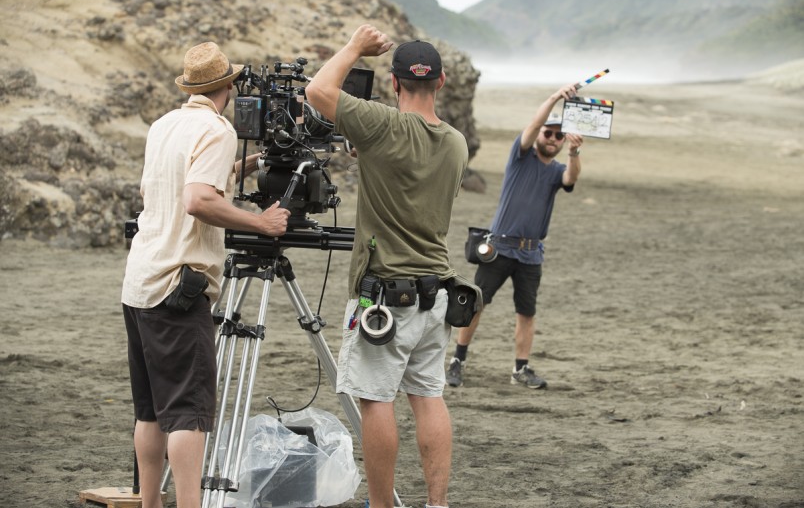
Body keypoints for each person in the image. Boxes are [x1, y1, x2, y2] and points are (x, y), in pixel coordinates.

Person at [120, 42, 290, 508]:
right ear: (229, 88)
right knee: (188, 416)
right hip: (179, 285)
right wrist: (260, 222)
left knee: (152, 410)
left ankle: (151, 502)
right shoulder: (217, 129)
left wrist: (249, 164)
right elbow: (197, 199)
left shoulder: (165, 124)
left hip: (140, 282)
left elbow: (183, 181)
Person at [306, 25, 468, 508]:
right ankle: (436, 504)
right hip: (437, 292)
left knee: (377, 402)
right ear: (439, 84)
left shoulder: (382, 124)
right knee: (428, 397)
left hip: (385, 298)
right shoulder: (456, 143)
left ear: (394, 84)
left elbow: (317, 91)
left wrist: (355, 47)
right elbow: (415, 177)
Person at [445, 84, 584, 390]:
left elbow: (571, 178)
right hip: (501, 246)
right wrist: (554, 98)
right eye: (548, 133)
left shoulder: (557, 169)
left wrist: (575, 152)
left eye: (558, 136)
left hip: (531, 254)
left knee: (527, 312)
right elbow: (533, 125)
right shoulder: (521, 156)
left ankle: (521, 369)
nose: (552, 139)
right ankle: (457, 361)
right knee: (476, 304)